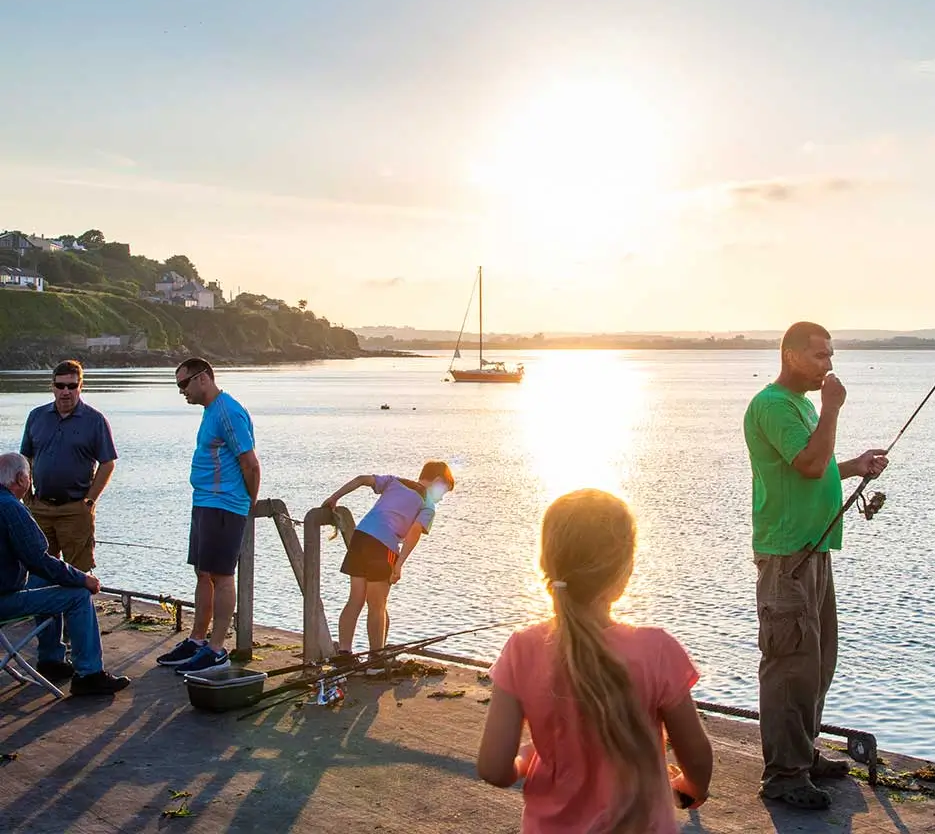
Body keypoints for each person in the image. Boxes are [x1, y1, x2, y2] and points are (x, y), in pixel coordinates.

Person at [477, 489, 713, 834]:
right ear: (625, 572)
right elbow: (697, 758)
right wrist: (692, 788)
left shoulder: (522, 649)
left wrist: (527, 760)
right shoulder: (657, 650)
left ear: (546, 564)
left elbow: (494, 768)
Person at [743, 321, 888, 810]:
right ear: (790, 355)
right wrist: (832, 408)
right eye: (820, 355)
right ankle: (783, 774)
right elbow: (807, 465)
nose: (829, 364)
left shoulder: (801, 406)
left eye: (831, 355)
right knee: (789, 663)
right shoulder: (773, 406)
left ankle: (803, 753)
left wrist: (854, 466)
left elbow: (816, 463)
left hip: (815, 549)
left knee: (818, 662)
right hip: (787, 555)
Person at [156, 358, 260, 674]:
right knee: (203, 572)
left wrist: (247, 505)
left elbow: (251, 463)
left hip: (225, 504)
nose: (181, 391)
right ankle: (197, 640)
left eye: (183, 384)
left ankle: (216, 649)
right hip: (204, 502)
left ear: (203, 379)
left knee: (222, 576)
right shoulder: (210, 412)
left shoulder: (228, 411)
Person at [0, 452, 130, 695]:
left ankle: (51, 659)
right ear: (21, 479)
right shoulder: (10, 508)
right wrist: (84, 578)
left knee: (46, 580)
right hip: (4, 600)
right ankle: (89, 674)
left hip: (7, 588)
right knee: (78, 594)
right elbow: (40, 559)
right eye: (29, 476)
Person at [321, 462, 454, 662]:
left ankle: (344, 654)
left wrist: (334, 498)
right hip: (384, 546)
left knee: (355, 600)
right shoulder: (428, 504)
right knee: (377, 605)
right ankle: (376, 660)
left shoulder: (394, 481)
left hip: (361, 537)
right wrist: (398, 565)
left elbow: (361, 480)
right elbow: (414, 533)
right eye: (443, 490)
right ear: (436, 481)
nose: (442, 497)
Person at [20, 359, 117, 573]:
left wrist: (89, 501)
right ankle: (45, 608)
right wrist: (27, 496)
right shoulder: (36, 416)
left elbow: (108, 463)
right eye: (60, 386)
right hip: (40, 508)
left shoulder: (95, 420)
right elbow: (25, 458)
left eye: (72, 386)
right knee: (39, 569)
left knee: (79, 572)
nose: (66, 392)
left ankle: (78, 607)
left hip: (75, 509)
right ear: (52, 386)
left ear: (80, 386)